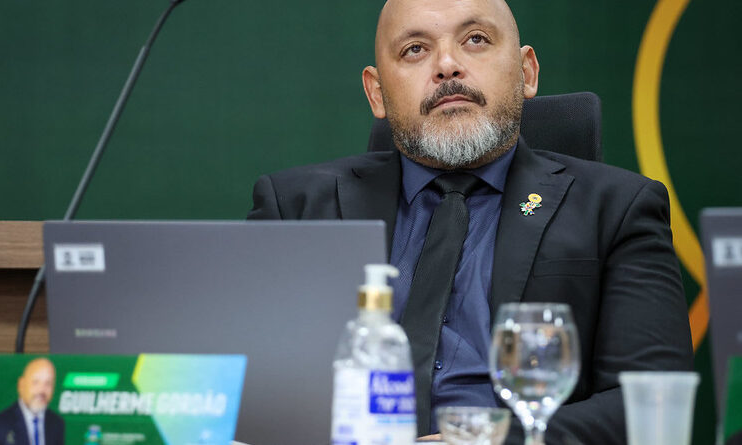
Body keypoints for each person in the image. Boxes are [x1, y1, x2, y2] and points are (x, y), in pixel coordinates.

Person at [248, 0, 694, 443]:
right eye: (415, 50)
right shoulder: (296, 209)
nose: (447, 65)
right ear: (377, 93)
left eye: (476, 40)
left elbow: (651, 401)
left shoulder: (616, 208)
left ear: (527, 72)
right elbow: (249, 395)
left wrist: (480, 439)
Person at [0, 358, 64, 445]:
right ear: (21, 384)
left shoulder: (57, 423)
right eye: (35, 382)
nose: (41, 390)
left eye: (48, 383)